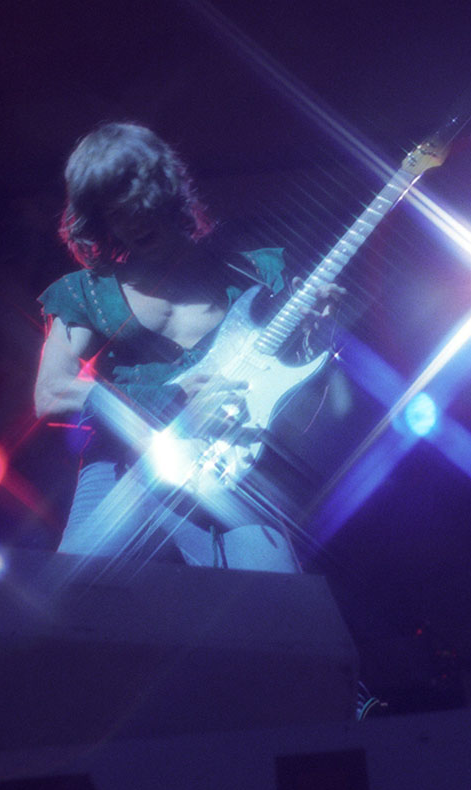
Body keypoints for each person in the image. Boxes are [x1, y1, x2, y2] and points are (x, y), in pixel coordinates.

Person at [35, 122, 338, 572]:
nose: (133, 219)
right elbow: (50, 394)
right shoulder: (85, 292)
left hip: (229, 467)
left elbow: (309, 410)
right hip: (125, 463)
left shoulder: (254, 274)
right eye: (115, 210)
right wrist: (169, 401)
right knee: (71, 606)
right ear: (98, 217)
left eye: (139, 201)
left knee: (279, 609)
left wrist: (319, 337)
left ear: (167, 190)